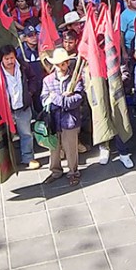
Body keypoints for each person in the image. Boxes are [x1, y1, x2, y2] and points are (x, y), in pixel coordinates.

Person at [0, 44, 41, 169]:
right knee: (7, 136)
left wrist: (30, 93)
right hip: (6, 110)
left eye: (12, 58)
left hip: (23, 107)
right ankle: (8, 161)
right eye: (7, 59)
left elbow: (33, 79)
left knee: (26, 133)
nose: (10, 61)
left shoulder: (23, 66)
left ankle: (28, 157)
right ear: (1, 59)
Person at [41, 48, 84, 185]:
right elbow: (44, 99)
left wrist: (57, 99)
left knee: (71, 148)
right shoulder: (47, 80)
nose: (60, 67)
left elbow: (76, 100)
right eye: (58, 64)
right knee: (54, 149)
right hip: (53, 120)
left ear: (67, 63)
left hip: (70, 121)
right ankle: (55, 171)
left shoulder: (75, 79)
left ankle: (73, 172)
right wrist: (61, 99)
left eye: (63, 64)